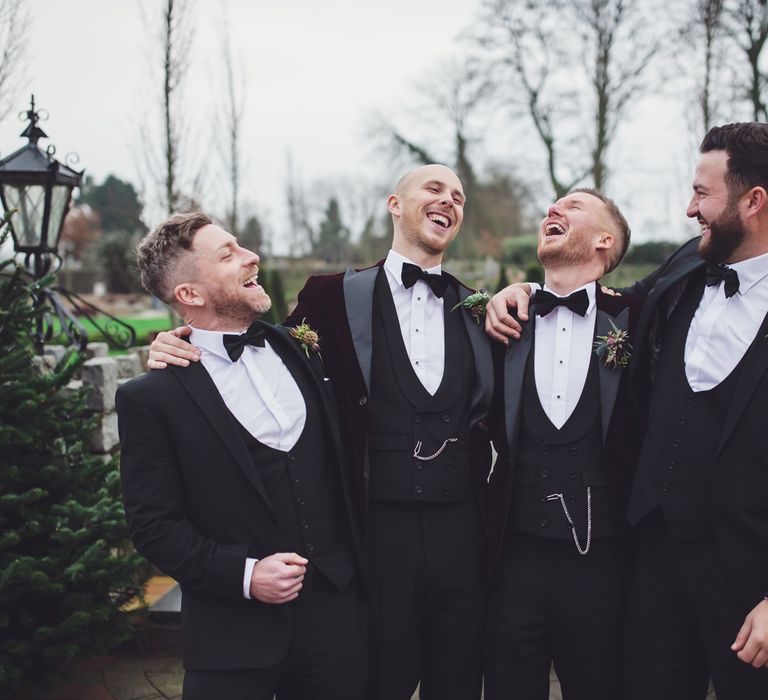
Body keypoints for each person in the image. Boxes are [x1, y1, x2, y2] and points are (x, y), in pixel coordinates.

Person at [147, 164, 494, 700]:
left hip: (462, 538)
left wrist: (524, 290)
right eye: (433, 188)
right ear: (394, 204)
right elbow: (235, 346)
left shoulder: (481, 309)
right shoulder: (332, 297)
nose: (449, 199)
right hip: (372, 545)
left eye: (459, 195)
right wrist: (173, 340)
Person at [487, 123, 768, 699]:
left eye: (701, 194)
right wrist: (510, 291)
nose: (690, 209)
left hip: (747, 580)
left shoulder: (654, 296)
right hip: (654, 566)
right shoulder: (685, 272)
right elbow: (589, 293)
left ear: (753, 201)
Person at [116, 213, 367, 700]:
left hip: (337, 624)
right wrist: (248, 576)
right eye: (227, 254)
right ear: (189, 295)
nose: (251, 256)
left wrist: (517, 291)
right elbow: (153, 525)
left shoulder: (304, 348)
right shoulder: (152, 398)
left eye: (241, 246)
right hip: (232, 639)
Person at [484, 189, 642, 700]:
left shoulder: (639, 321)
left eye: (572, 206)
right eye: (551, 206)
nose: (552, 210)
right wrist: (510, 290)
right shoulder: (502, 321)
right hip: (511, 561)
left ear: (605, 241)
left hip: (601, 566)